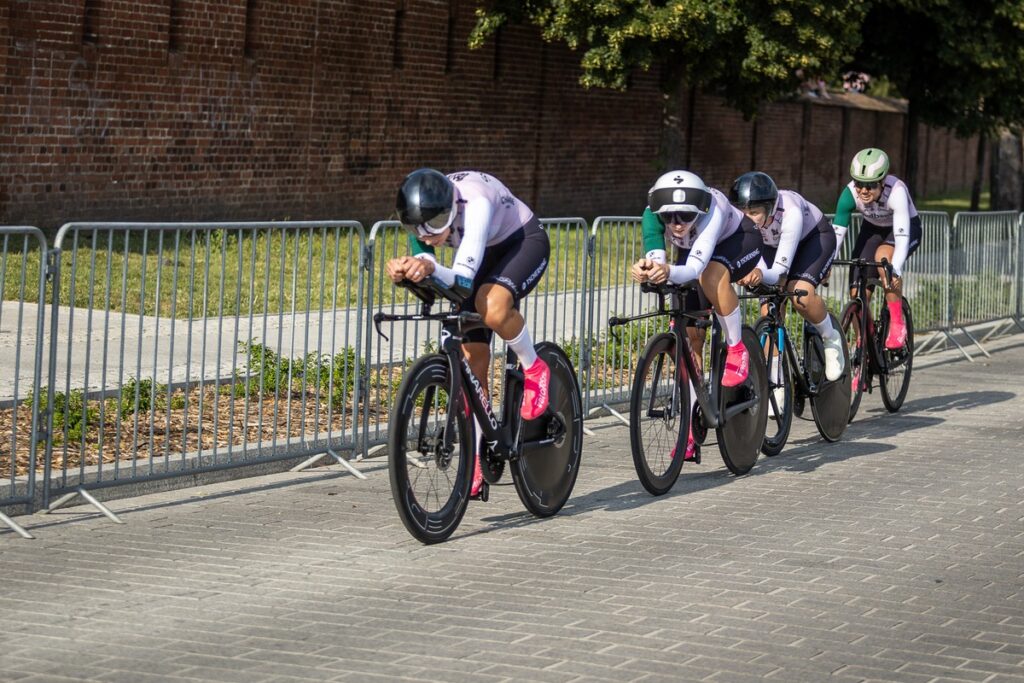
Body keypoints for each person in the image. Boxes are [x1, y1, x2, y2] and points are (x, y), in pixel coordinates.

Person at [387, 168, 551, 498]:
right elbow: (429, 268)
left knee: (491, 306)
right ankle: (476, 455)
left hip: (520, 243)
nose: (427, 234)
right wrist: (407, 270)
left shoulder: (474, 203)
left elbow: (461, 279)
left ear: (450, 207)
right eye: (417, 228)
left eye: (434, 226)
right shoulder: (423, 216)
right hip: (478, 255)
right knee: (472, 361)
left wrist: (431, 267)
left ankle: (534, 367)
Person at [631, 170, 764, 460]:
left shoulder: (712, 211)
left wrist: (668, 272)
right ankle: (692, 428)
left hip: (737, 240)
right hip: (692, 252)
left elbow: (693, 269)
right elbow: (659, 262)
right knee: (691, 338)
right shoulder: (652, 214)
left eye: (685, 216)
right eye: (670, 217)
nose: (677, 224)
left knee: (710, 275)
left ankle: (736, 347)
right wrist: (647, 271)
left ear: (699, 210)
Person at [728, 172, 845, 399]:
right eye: (743, 212)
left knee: (800, 296)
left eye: (754, 213)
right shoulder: (745, 220)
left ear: (770, 208)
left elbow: (780, 271)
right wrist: (753, 271)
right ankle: (776, 379)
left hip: (812, 240)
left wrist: (760, 273)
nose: (748, 218)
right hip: (773, 246)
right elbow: (754, 255)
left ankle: (831, 338)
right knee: (768, 308)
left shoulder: (790, 211)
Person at [833, 148, 921, 349]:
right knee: (856, 292)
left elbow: (901, 236)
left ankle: (897, 323)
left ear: (882, 181)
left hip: (903, 229)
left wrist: (895, 269)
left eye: (870, 186)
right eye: (859, 184)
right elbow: (837, 235)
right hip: (872, 230)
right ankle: (864, 343)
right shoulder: (849, 195)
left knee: (884, 261)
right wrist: (827, 264)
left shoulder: (896, 191)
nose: (863, 191)